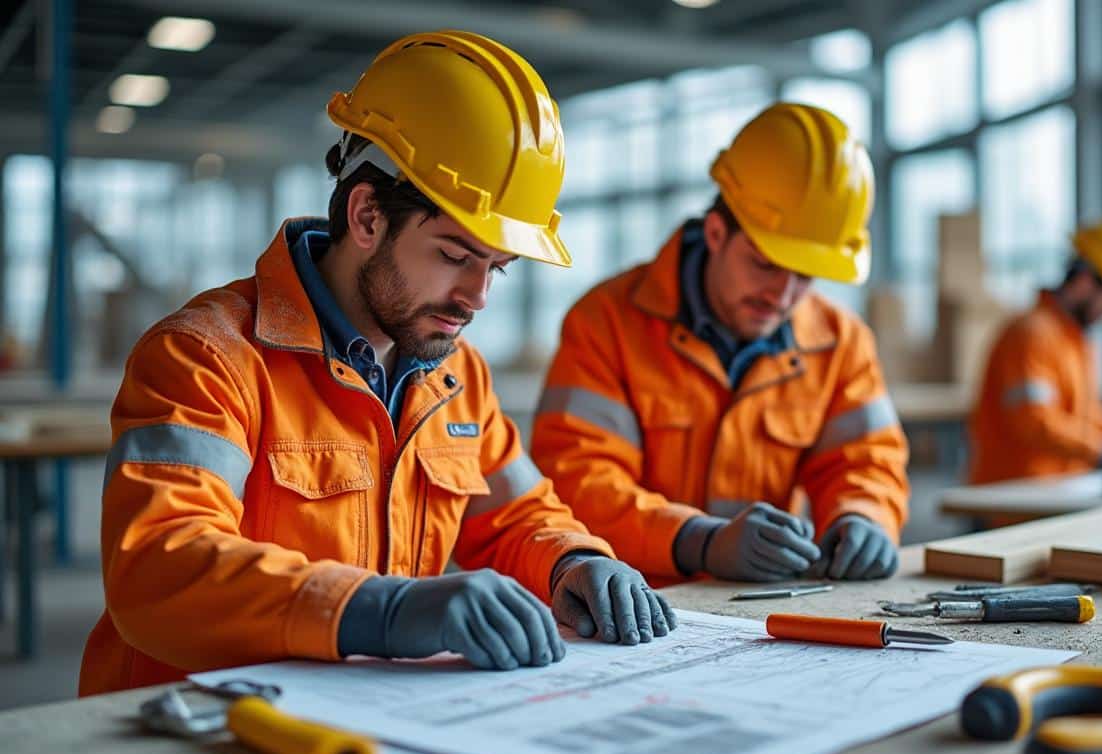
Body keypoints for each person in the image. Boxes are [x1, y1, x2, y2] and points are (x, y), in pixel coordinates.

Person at [80, 30, 674, 696]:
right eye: (454, 256)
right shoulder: (205, 357)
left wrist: (572, 560)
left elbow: (516, 516)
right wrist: (379, 611)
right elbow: (158, 569)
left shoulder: (456, 377)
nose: (476, 297)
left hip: (361, 712)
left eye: (496, 268)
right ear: (366, 216)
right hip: (192, 720)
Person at [530, 103, 908, 585]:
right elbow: (578, 481)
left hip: (767, 606)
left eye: (805, 276)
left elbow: (868, 460)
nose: (782, 296)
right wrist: (696, 540)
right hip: (636, 603)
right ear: (715, 232)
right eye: (765, 264)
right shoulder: (606, 323)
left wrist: (866, 515)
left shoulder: (841, 342)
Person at [968, 216, 1102, 485]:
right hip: (1013, 492)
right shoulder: (1032, 335)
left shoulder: (1073, 340)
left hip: (1054, 489)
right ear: (1085, 281)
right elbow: (1035, 420)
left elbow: (1085, 412)